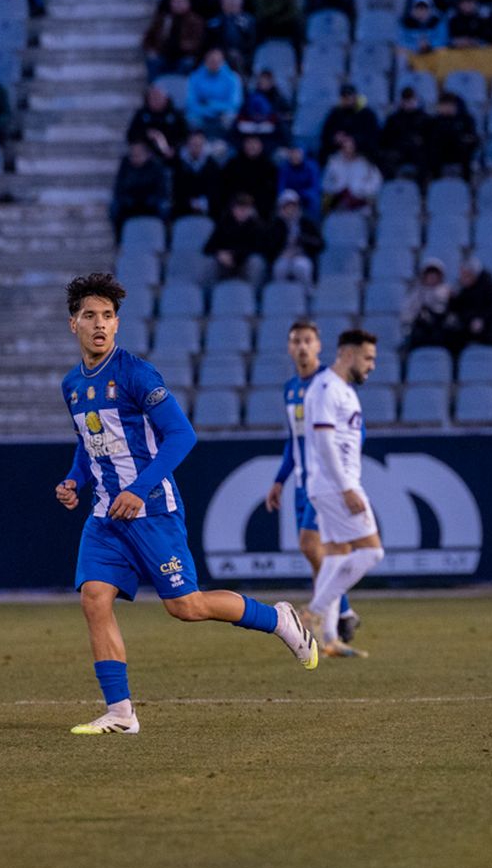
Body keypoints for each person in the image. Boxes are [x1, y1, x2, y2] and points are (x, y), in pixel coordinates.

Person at [54, 272, 316, 735]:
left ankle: (277, 619)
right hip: (105, 516)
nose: (100, 324)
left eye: (108, 316)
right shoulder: (73, 384)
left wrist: (139, 489)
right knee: (94, 599)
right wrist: (75, 479)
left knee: (186, 606)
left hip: (152, 511)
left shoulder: (136, 374)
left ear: (117, 324)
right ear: (73, 323)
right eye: (90, 316)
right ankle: (121, 713)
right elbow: (89, 442)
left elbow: (182, 434)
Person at [264, 319, 361, 648]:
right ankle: (341, 614)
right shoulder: (291, 388)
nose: (302, 346)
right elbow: (294, 440)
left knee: (313, 548)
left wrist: (344, 475)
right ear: (290, 348)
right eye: (296, 341)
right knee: (316, 553)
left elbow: (356, 430)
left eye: (308, 340)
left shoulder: (330, 384)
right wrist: (279, 480)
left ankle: (330, 616)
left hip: (326, 483)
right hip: (302, 486)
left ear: (319, 346)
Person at [301, 328, 386, 656]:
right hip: (336, 485)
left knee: (336, 555)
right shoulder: (326, 388)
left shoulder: (343, 389)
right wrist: (347, 487)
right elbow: (324, 444)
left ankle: (329, 638)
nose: (371, 365)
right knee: (372, 552)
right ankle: (310, 614)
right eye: (368, 358)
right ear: (348, 354)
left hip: (330, 485)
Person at [203, 193, 270, 283]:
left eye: (245, 208)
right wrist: (219, 254)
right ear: (233, 209)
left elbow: (258, 248)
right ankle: (211, 290)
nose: (242, 212)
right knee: (211, 262)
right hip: (225, 265)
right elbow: (208, 247)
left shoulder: (257, 226)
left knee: (256, 261)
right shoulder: (224, 224)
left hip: (244, 264)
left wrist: (234, 257)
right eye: (239, 208)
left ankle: (252, 290)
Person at [445, 257, 492, 352]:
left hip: (490, 324)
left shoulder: (490, 286)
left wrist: (481, 319)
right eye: (462, 274)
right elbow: (457, 309)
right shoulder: (461, 287)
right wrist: (452, 299)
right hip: (470, 323)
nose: (462, 277)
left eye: (466, 274)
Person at [109, 138, 170, 233]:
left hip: (151, 204)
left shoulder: (156, 166)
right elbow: (119, 188)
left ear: (147, 154)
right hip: (130, 203)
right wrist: (127, 200)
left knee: (164, 206)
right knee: (114, 207)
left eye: (138, 155)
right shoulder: (125, 165)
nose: (135, 158)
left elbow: (162, 190)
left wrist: (151, 200)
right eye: (132, 155)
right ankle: (120, 237)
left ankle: (163, 236)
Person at [265, 190, 324, 283]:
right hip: (283, 257)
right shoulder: (275, 225)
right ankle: (280, 291)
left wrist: (302, 239)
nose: (290, 209)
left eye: (293, 206)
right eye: (287, 206)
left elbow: (320, 244)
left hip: (302, 256)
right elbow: (269, 246)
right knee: (280, 268)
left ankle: (307, 291)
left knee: (301, 268)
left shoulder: (306, 223)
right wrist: (281, 252)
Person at [186, 48, 243, 140]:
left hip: (223, 113)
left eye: (218, 61)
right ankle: (199, 143)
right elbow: (191, 103)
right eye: (211, 61)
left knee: (230, 116)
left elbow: (235, 103)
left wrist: (213, 106)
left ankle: (225, 143)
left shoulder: (233, 78)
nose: (214, 64)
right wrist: (206, 110)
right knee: (191, 118)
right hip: (202, 113)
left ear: (223, 61)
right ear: (205, 61)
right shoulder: (194, 77)